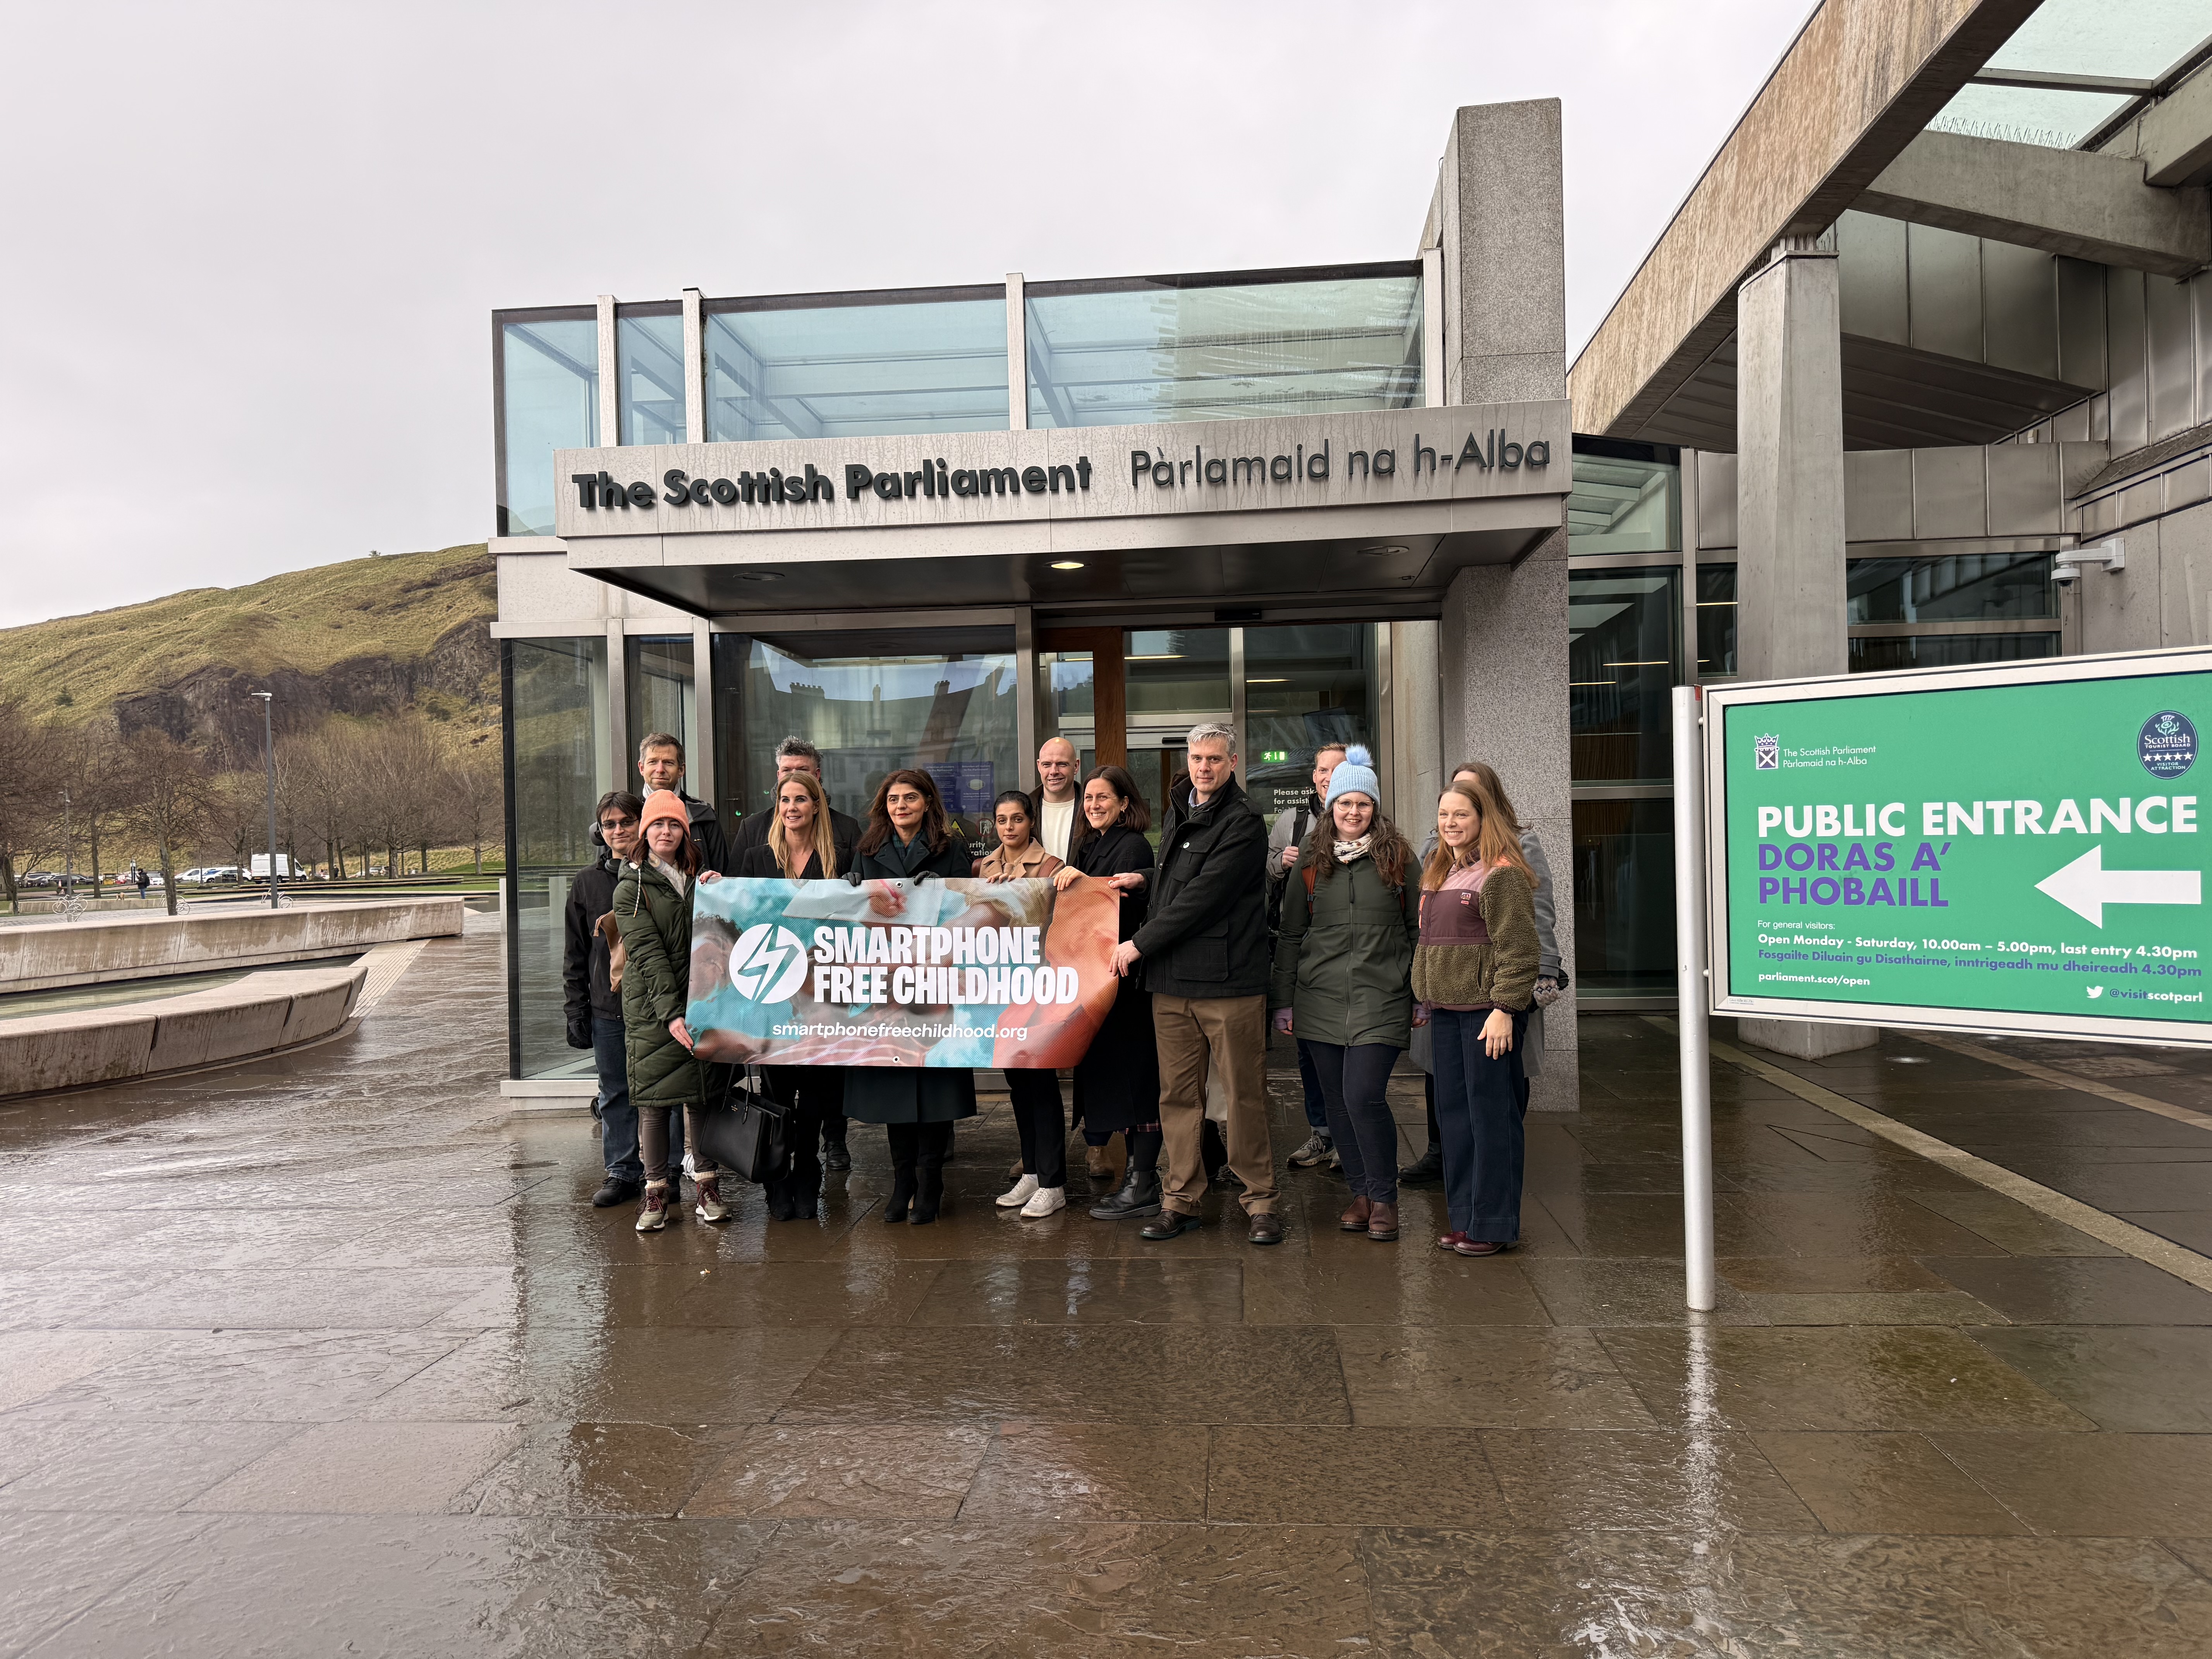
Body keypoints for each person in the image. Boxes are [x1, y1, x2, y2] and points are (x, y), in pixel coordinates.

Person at [1116, 722, 1280, 1246]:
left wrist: (1139, 943)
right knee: (1179, 1099)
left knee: (1243, 1098)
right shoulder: (1180, 808)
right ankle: (1180, 1201)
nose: (1203, 767)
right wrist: (1147, 879)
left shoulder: (1245, 822)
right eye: (1196, 758)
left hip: (1229, 984)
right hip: (1173, 985)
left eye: (1214, 759)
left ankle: (1262, 1202)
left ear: (1233, 762)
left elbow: (1205, 897)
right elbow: (1180, 879)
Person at [1270, 747, 1420, 1242]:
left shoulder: (1399, 859)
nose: (1353, 813)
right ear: (1330, 808)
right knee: (1336, 1102)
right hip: (1319, 997)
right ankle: (1360, 1192)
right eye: (1344, 804)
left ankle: (1384, 1197)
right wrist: (1284, 1000)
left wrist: (1419, 992)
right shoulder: (1311, 863)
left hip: (1383, 995)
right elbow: (1291, 933)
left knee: (1363, 1095)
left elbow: (1419, 929)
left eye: (1362, 804)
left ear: (1375, 808)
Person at [1401, 761, 1564, 1184]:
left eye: (1467, 803)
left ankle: (1491, 1187)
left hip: (1495, 989)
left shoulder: (1517, 847)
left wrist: (1538, 976)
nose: (1454, 815)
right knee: (1447, 1084)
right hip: (1445, 989)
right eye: (1447, 806)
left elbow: (1536, 914)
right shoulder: (1435, 850)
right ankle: (1445, 1159)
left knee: (1496, 1091)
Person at [1415, 778, 1541, 1257]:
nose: (1450, 823)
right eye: (1444, 814)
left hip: (1486, 1017)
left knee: (1491, 1120)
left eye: (1461, 815)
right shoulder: (1443, 869)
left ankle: (1493, 1223)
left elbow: (1521, 949)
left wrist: (1506, 1009)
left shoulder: (1501, 873)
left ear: (1483, 819)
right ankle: (1465, 1219)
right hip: (1447, 1014)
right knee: (1456, 1122)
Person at [845, 768, 976, 1223]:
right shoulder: (866, 851)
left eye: (910, 798)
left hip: (934, 983)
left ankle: (932, 1182)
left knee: (934, 1084)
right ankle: (903, 1183)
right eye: (894, 799)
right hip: (888, 986)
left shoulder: (951, 849)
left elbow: (965, 912)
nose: (901, 806)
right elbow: (854, 918)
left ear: (927, 803)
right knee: (894, 1087)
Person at [736, 769, 853, 1218]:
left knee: (819, 1099)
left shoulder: (840, 860)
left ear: (816, 806)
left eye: (801, 799)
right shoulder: (755, 858)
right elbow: (737, 916)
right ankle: (777, 1181)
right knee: (779, 1098)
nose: (792, 808)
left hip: (824, 999)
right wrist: (715, 885)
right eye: (785, 800)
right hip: (773, 999)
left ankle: (809, 1172)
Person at [613, 789, 730, 1233]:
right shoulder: (633, 884)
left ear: (686, 831)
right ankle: (656, 1194)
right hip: (654, 1011)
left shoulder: (696, 876)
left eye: (675, 824)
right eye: (658, 824)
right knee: (655, 1104)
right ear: (646, 831)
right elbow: (647, 953)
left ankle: (707, 1185)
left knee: (700, 1098)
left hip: (701, 1001)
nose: (666, 831)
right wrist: (671, 1014)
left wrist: (721, 893)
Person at [1054, 765, 1164, 1220]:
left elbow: (1131, 905)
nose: (1094, 805)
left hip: (1127, 989)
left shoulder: (1132, 844)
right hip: (1098, 985)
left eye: (1104, 798)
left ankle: (1144, 1182)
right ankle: (1138, 1179)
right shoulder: (1089, 845)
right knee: (1119, 1084)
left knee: (1138, 1085)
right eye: (1090, 799)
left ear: (1124, 804)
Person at [564, 790, 677, 1208]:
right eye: (609, 825)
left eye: (626, 823)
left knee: (667, 1093)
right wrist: (575, 1009)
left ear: (642, 825)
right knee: (615, 1093)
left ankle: (671, 1171)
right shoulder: (587, 882)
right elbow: (575, 953)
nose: (618, 832)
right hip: (608, 1008)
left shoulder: (666, 874)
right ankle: (623, 1171)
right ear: (600, 832)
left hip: (658, 1007)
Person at [974, 791, 1070, 1219]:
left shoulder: (1052, 867)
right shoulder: (982, 867)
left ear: (1031, 822)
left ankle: (1054, 1181)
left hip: (1036, 986)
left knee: (1042, 1084)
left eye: (1016, 819)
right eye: (1001, 820)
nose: (1009, 827)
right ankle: (1031, 1170)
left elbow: (1060, 917)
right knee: (1017, 1083)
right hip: (999, 987)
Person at [1267, 742, 1348, 1173]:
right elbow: (1263, 871)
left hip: (1347, 956)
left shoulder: (1364, 818)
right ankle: (1322, 1133)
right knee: (1309, 1050)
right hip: (1301, 951)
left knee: (1348, 1050)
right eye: (1321, 770)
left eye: (1335, 769)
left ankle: (1348, 1135)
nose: (1326, 777)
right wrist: (1281, 860)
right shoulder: (1291, 821)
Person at [733, 736, 863, 857]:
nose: (794, 776)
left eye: (802, 770)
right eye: (787, 770)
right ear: (779, 775)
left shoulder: (847, 829)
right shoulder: (752, 828)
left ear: (817, 775)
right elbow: (735, 879)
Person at [636, 732, 733, 879]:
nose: (660, 769)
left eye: (668, 763)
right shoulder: (628, 816)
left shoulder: (704, 815)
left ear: (681, 769)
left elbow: (722, 875)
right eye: (653, 762)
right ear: (642, 768)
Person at [1029, 737, 1082, 864]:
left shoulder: (1093, 810)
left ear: (1076, 766)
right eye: (1047, 765)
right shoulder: (1025, 810)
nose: (1054, 772)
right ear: (1039, 766)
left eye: (1062, 764)